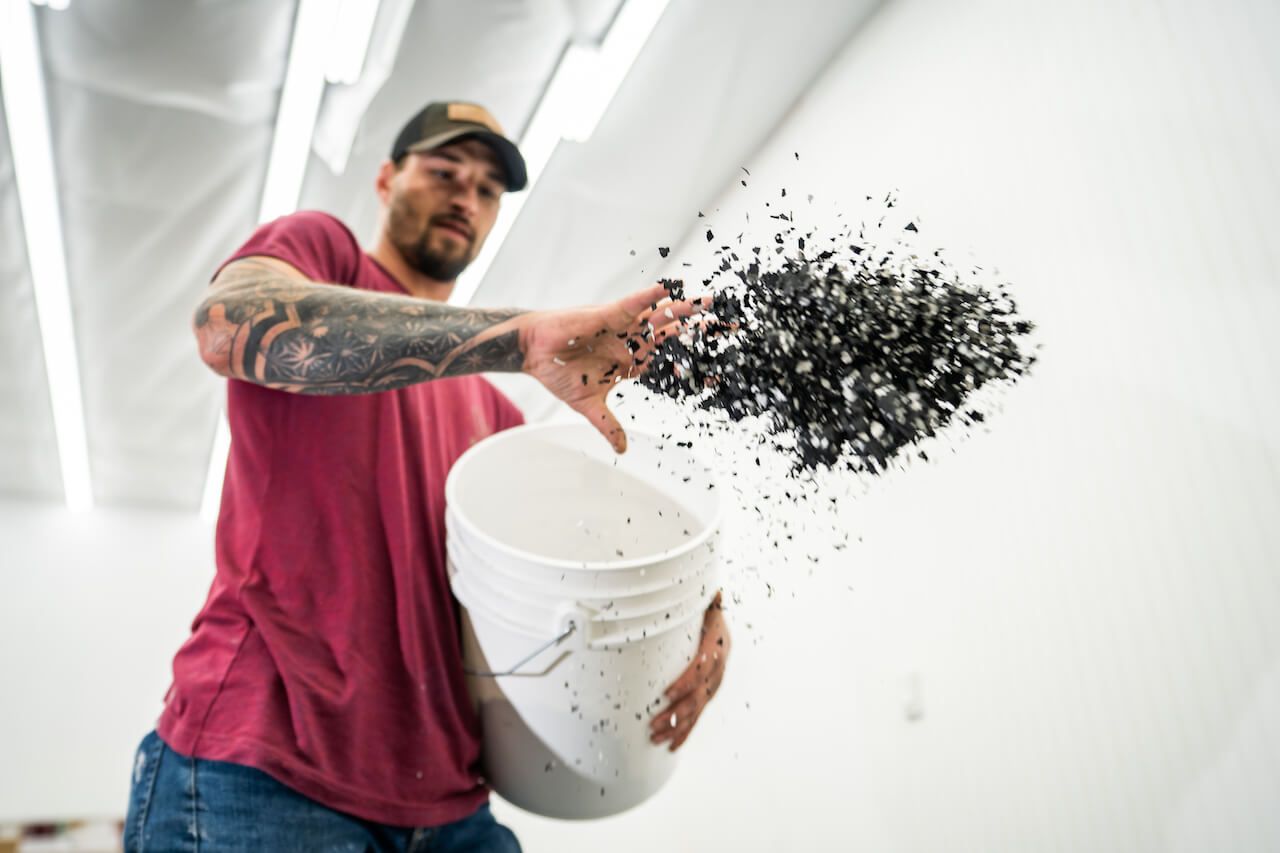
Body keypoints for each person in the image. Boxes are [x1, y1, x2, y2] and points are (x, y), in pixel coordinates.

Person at [122, 101, 730, 852]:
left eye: (485, 188)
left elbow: (568, 576)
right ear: (386, 178)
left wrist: (698, 608)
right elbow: (230, 325)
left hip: (449, 807)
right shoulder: (323, 253)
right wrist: (518, 335)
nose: (464, 196)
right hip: (262, 773)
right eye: (444, 171)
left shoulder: (497, 420)